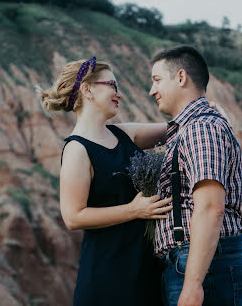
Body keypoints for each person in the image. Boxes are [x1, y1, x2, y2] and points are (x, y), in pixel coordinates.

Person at [39, 57, 172, 305]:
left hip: (146, 270)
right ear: (87, 90)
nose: (119, 94)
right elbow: (73, 217)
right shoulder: (77, 149)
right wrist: (133, 210)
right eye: (112, 85)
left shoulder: (124, 134)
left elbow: (175, 128)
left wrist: (205, 111)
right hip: (109, 276)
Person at [149, 45, 242, 306]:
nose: (152, 91)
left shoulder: (201, 128)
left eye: (157, 80)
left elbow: (210, 208)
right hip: (202, 263)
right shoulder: (191, 127)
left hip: (206, 267)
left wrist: (193, 284)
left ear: (182, 77)